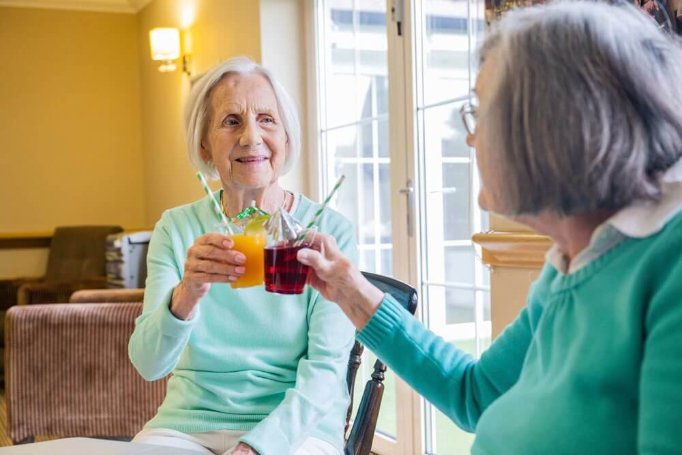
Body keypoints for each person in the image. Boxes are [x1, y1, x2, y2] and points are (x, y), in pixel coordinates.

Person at [296, 2, 682, 453]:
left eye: (481, 113)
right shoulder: (571, 265)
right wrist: (347, 289)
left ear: (552, 127)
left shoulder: (668, 267)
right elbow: (474, 394)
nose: (471, 137)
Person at [128, 57, 356, 455]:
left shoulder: (328, 232)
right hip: (187, 426)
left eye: (267, 119)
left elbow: (327, 370)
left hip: (298, 429)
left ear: (285, 138)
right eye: (231, 121)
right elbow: (148, 364)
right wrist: (187, 292)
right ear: (204, 145)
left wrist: (257, 447)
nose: (251, 137)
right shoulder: (176, 228)